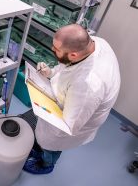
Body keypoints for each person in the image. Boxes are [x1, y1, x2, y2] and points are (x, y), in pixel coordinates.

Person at [23, 24, 121, 174]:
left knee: (52, 143)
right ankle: (40, 149)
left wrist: (45, 105)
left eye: (56, 49)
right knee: (43, 136)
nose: (52, 49)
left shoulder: (89, 84)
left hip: (73, 121)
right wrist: (51, 73)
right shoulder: (93, 43)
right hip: (72, 99)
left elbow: (69, 126)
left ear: (73, 55)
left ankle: (46, 164)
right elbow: (69, 67)